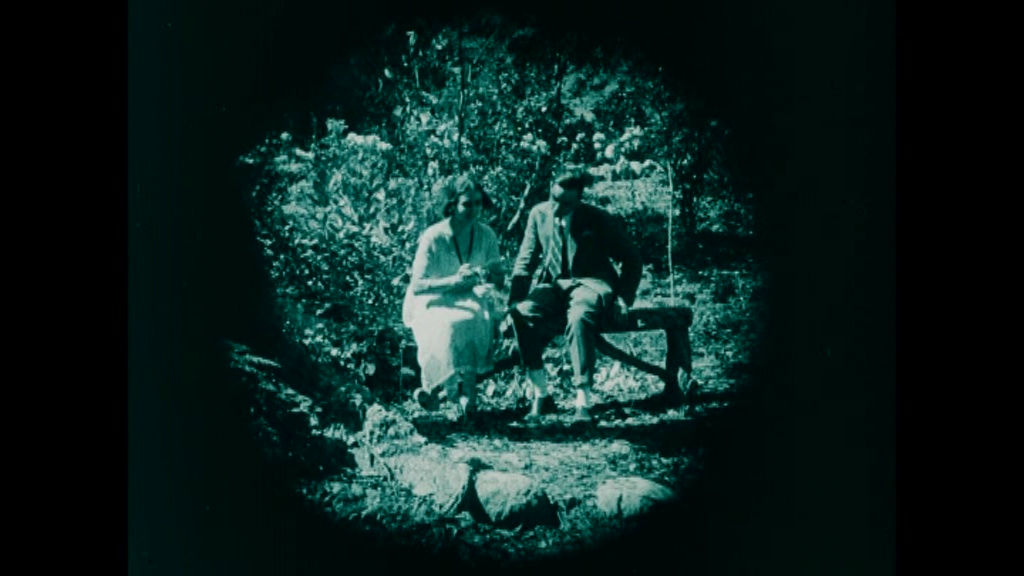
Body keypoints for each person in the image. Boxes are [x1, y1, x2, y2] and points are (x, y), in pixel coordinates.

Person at [507, 167, 642, 421]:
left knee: (579, 317)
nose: (557, 208)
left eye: (566, 203)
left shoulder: (598, 219)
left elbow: (632, 259)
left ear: (579, 199)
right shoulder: (538, 214)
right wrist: (514, 301)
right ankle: (541, 394)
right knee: (521, 314)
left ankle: (583, 400)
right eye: (554, 199)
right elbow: (525, 262)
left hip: (591, 284)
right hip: (554, 286)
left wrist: (623, 298)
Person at [402, 174, 505, 418]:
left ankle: (468, 392)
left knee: (476, 317)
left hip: (468, 294)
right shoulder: (434, 236)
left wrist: (488, 274)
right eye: (467, 204)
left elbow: (497, 278)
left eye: (478, 203)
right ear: (452, 205)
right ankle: (444, 390)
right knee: (448, 324)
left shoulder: (486, 234)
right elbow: (417, 285)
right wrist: (453, 281)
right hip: (433, 296)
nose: (474, 210)